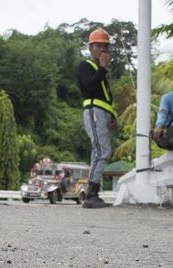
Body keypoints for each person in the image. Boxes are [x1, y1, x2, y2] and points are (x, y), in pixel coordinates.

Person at [76, 27, 117, 209]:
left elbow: (104, 96)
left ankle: (93, 192)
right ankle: (91, 193)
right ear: (90, 48)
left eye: (105, 47)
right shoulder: (85, 67)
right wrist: (102, 67)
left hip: (102, 113)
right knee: (102, 151)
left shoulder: (100, 71)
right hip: (93, 112)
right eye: (98, 46)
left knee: (98, 151)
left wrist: (112, 115)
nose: (102, 50)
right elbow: (91, 87)